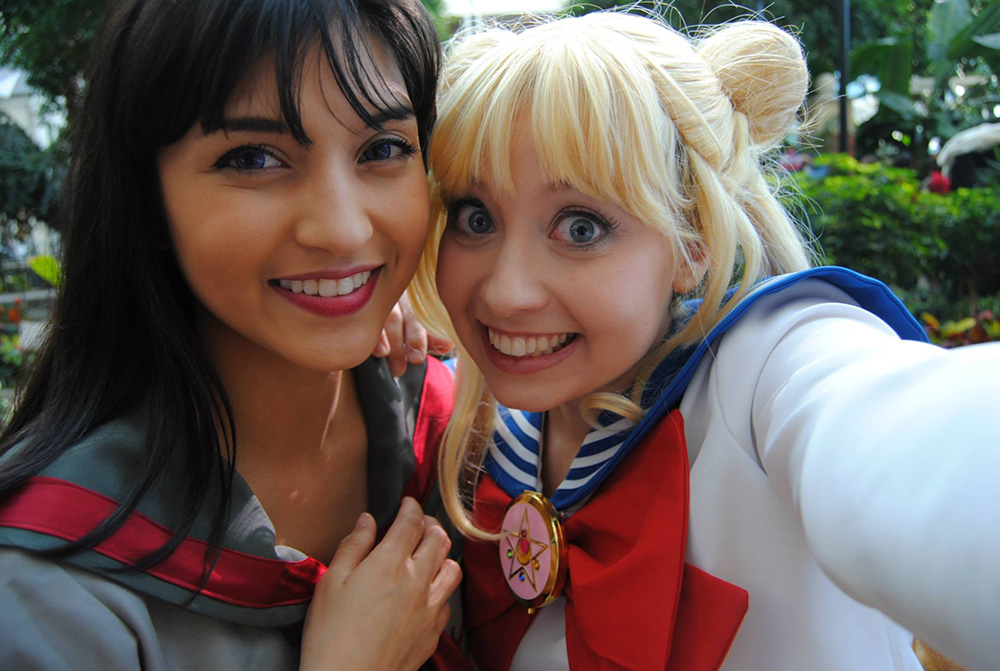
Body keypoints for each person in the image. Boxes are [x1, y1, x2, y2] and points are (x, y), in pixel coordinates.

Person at [408, 10, 1000, 671]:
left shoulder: (766, 367)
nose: (505, 293)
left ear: (691, 244)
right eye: (475, 218)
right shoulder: (473, 430)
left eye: (580, 227)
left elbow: (896, 433)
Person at [0, 1, 465, 669]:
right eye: (253, 158)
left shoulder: (460, 445)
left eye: (384, 149)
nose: (342, 229)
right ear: (147, 200)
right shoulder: (47, 594)